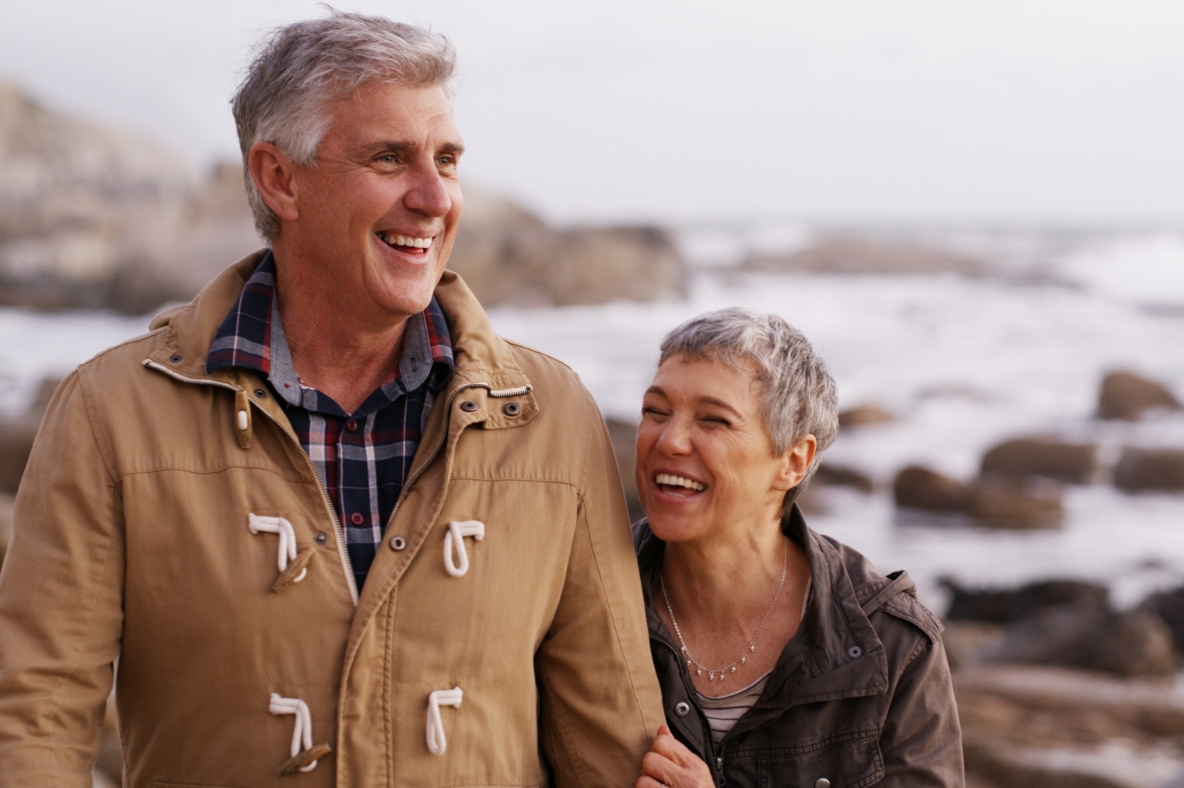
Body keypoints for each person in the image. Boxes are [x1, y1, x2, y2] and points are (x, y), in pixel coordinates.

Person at [0, 11, 663, 786]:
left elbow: (614, 733)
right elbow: (33, 725)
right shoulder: (109, 413)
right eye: (390, 158)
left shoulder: (549, 413)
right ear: (279, 178)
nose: (434, 197)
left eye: (447, 160)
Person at [630, 308, 964, 788]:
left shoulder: (891, 645)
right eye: (655, 411)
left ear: (793, 461)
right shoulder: (580, 597)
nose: (669, 439)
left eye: (714, 420)